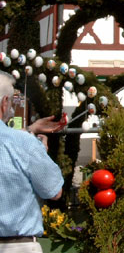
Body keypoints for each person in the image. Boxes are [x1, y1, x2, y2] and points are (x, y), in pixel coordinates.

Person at [0, 71, 64, 252]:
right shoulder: (24, 144)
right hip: (17, 245)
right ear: (5, 103)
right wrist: (39, 151)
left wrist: (29, 130)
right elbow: (53, 190)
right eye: (12, 102)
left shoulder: (22, 141)